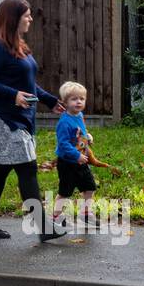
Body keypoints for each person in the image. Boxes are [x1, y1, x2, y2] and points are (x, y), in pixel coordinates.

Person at [0, 0, 66, 242]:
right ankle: (44, 229)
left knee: (0, 172)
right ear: (14, 18)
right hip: (2, 119)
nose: (30, 19)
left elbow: (26, 83)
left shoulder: (17, 46)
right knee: (27, 168)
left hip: (19, 117)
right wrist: (12, 95)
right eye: (26, 15)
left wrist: (48, 99)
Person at [52, 81, 98, 229]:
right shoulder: (64, 122)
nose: (79, 102)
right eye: (74, 99)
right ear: (65, 102)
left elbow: (79, 133)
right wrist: (76, 156)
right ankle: (56, 216)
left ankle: (85, 213)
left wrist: (87, 137)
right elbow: (63, 144)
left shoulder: (79, 115)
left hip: (81, 160)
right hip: (68, 163)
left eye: (81, 99)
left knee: (89, 187)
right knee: (65, 192)